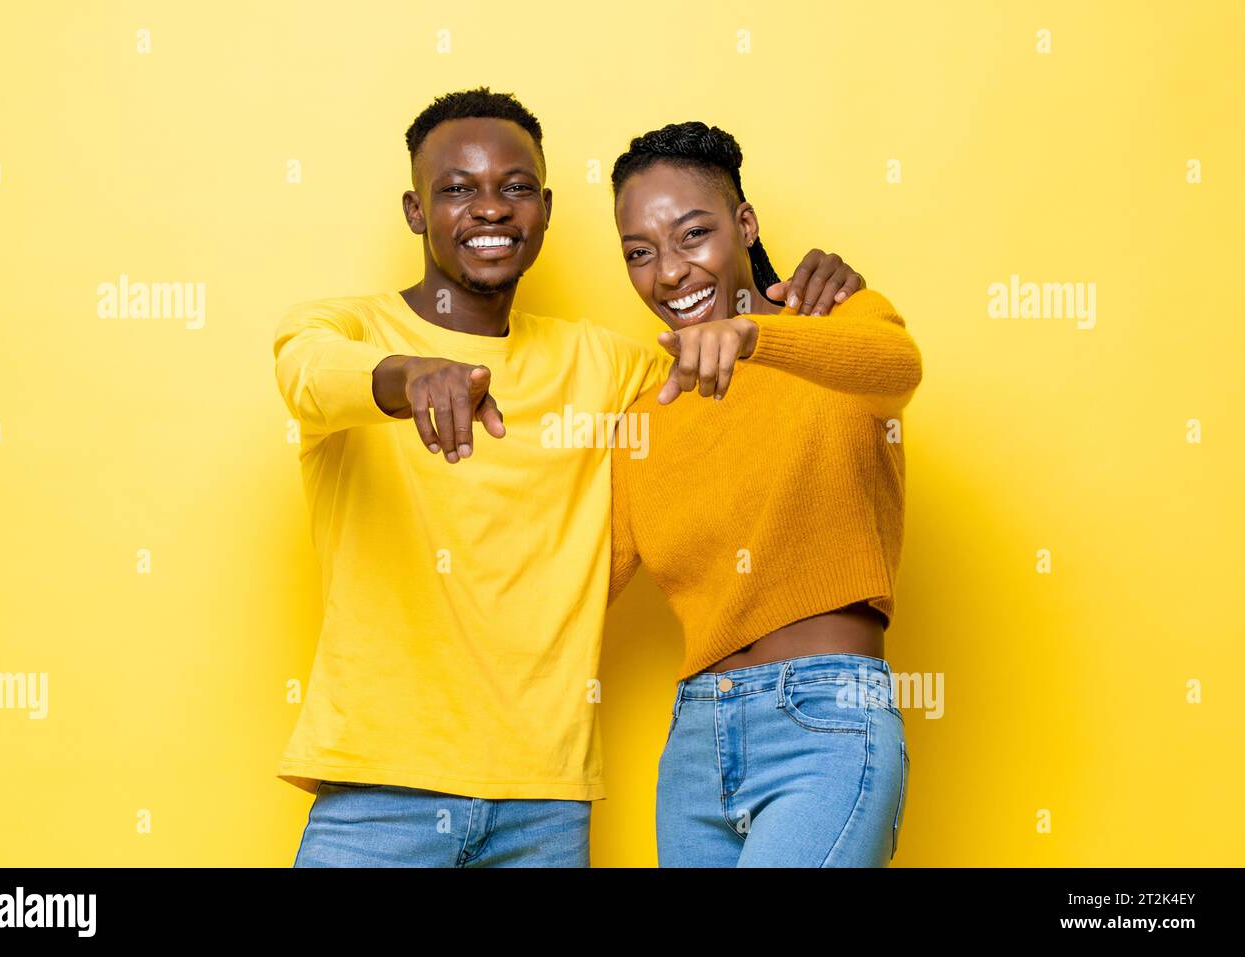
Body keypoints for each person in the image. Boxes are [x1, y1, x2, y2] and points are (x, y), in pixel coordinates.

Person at [273, 90, 862, 867]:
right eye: (457, 189)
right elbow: (308, 375)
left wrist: (808, 292)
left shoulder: (605, 365)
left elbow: (738, 370)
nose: (489, 209)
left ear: (544, 210)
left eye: (514, 188)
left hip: (544, 811)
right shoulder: (343, 332)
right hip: (377, 799)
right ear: (416, 211)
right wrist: (407, 377)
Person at [607, 121, 923, 867]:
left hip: (826, 722)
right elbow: (579, 580)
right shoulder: (646, 418)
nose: (671, 272)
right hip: (694, 745)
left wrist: (757, 336)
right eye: (639, 253)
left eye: (693, 235)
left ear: (744, 225)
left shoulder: (837, 325)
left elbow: (897, 371)